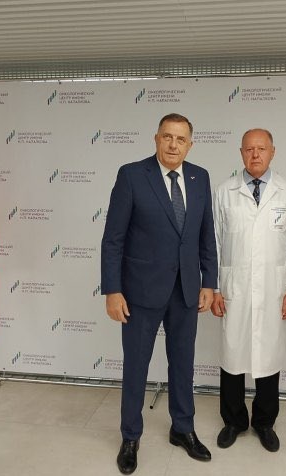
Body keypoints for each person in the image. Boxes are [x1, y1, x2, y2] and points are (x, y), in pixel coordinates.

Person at [101, 113, 218, 474]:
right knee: (136, 366)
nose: (173, 144)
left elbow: (206, 235)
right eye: (167, 137)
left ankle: (182, 428)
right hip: (140, 291)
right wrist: (113, 290)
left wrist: (209, 282)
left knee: (183, 365)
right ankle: (130, 436)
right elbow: (113, 239)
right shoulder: (132, 175)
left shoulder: (200, 177)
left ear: (190, 144)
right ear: (156, 138)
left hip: (186, 290)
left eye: (180, 139)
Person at [211, 128, 286, 452]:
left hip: (273, 290)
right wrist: (215, 288)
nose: (255, 154)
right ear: (241, 153)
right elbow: (215, 243)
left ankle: (264, 422)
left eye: (261, 149)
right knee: (232, 355)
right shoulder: (225, 191)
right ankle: (234, 421)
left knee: (268, 356)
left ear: (272, 152)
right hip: (233, 288)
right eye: (249, 149)